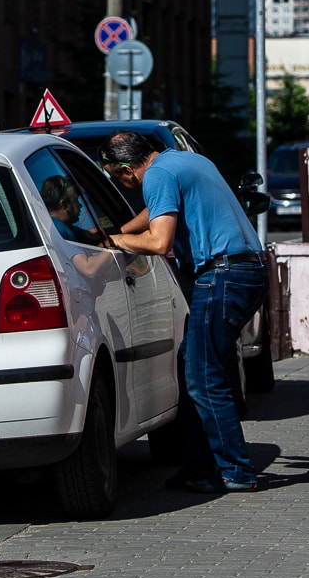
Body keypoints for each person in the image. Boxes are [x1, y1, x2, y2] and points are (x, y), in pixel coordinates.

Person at [102, 130, 268, 494]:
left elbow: (159, 241)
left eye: (117, 177)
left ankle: (235, 470)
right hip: (247, 270)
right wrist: (116, 229)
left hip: (223, 275)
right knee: (192, 362)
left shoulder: (157, 175)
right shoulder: (183, 160)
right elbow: (158, 210)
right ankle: (197, 468)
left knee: (203, 375)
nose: (123, 185)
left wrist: (113, 242)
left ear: (127, 170)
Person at [40, 175, 102, 246]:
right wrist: (113, 241)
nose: (80, 205)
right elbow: (82, 257)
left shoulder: (60, 226)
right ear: (65, 205)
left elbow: (90, 234)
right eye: (76, 200)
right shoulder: (61, 231)